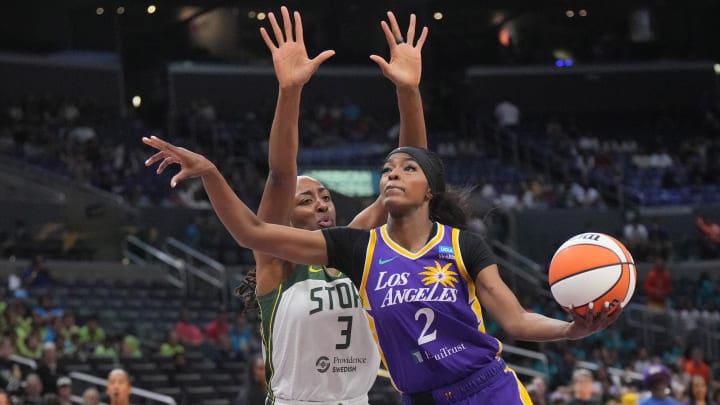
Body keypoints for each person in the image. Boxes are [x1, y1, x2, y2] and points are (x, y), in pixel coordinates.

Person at [143, 136, 620, 405]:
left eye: (405, 169)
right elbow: (253, 228)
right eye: (386, 169)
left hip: (485, 388)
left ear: (429, 189)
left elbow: (515, 322)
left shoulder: (463, 246)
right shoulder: (357, 248)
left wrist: (571, 329)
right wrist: (211, 172)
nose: (391, 173)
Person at [231, 6, 427, 405]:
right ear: (284, 218)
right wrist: (290, 91)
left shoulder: (357, 244)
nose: (322, 205)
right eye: (307, 200)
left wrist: (408, 91)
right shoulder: (277, 264)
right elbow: (280, 176)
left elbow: (413, 173)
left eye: (325, 197)